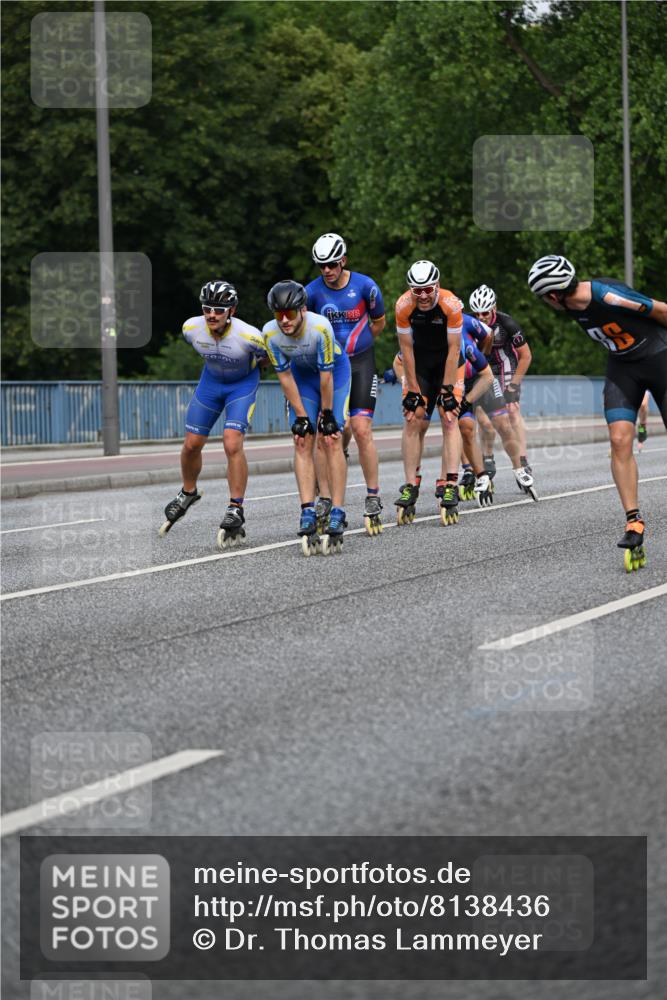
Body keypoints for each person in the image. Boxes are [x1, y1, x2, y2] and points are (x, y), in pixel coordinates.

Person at [528, 254, 667, 570]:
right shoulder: (572, 306)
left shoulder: (607, 295)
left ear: (554, 295)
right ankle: (634, 521)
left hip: (659, 358)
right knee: (619, 440)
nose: (545, 304)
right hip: (622, 368)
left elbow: (660, 310)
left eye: (543, 299)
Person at [159, 280, 266, 549]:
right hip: (210, 384)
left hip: (241, 386)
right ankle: (188, 492)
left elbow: (266, 359)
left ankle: (235, 507)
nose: (212, 315)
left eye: (219, 310)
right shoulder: (191, 328)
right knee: (191, 444)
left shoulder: (249, 336)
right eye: (207, 308)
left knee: (232, 442)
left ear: (232, 310)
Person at [263, 280, 351, 555]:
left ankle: (337, 509)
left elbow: (327, 377)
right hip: (302, 380)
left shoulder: (320, 327)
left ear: (302, 309)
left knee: (331, 439)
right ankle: (307, 510)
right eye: (279, 315)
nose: (285, 320)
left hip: (333, 377)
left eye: (290, 313)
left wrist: (326, 414)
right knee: (302, 440)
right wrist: (302, 416)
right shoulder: (270, 333)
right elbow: (285, 376)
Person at [306, 233, 386, 535]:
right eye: (321, 266)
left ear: (343, 260)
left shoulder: (366, 286)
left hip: (361, 362)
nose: (326, 270)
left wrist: (360, 345)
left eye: (331, 264)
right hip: (329, 366)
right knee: (328, 432)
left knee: (361, 428)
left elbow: (378, 322)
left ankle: (373, 495)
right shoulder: (311, 293)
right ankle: (325, 496)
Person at [394, 260, 464, 526]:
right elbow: (406, 350)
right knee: (413, 417)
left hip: (449, 362)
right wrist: (412, 389)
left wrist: (447, 390)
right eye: (417, 290)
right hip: (420, 363)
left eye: (428, 289)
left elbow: (455, 349)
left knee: (449, 418)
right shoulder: (403, 306)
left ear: (437, 285)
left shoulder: (451, 304)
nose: (423, 295)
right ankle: (411, 483)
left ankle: (450, 482)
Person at [458, 318, 537, 501]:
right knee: (466, 426)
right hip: (459, 383)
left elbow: (522, 354)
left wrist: (514, 386)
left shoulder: (476, 329)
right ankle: (473, 470)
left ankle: (519, 466)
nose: (482, 315)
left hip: (483, 375)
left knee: (503, 421)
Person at [468, 284, 534, 491]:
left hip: (505, 366)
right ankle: (488, 458)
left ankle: (522, 459)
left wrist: (514, 385)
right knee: (484, 421)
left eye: (485, 312)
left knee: (512, 411)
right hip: (482, 369)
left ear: (494, 308)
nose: (481, 317)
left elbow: (526, 356)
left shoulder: (507, 323)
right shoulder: (468, 322)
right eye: (477, 313)